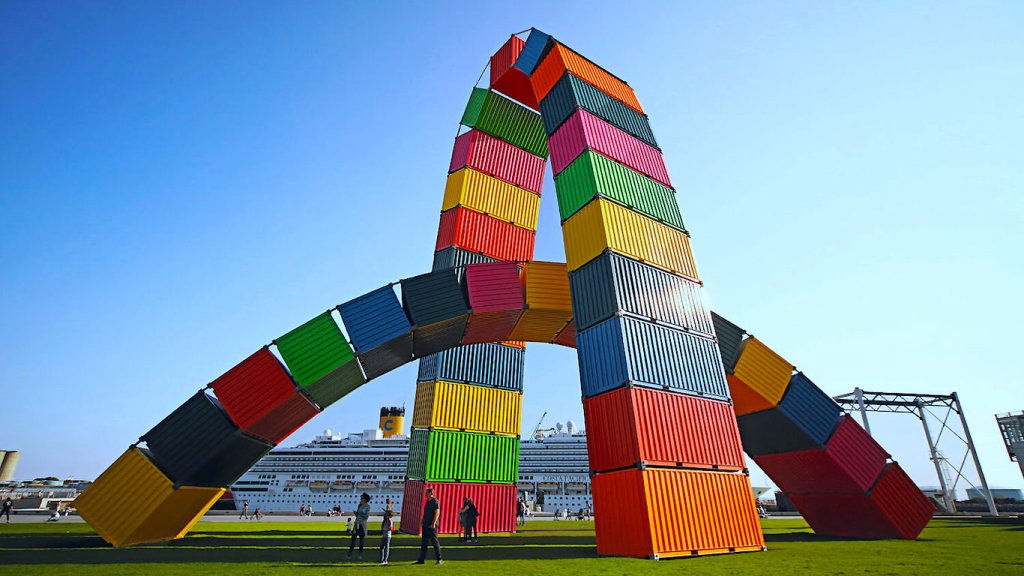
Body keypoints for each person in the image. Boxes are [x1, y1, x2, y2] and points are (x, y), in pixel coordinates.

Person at [414, 486, 442, 565]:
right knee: (424, 543)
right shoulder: (427, 501)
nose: (425, 494)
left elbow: (437, 513)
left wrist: (433, 523)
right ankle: (421, 560)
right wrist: (422, 520)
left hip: (432, 525)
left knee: (434, 542)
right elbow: (426, 512)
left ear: (430, 493)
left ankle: (439, 559)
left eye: (426, 493)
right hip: (425, 524)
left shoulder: (435, 501)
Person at [347, 493, 371, 561]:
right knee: (353, 540)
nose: (360, 500)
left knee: (361, 541)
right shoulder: (359, 505)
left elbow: (366, 516)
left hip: (362, 525)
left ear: (365, 499)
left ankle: (360, 555)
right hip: (356, 524)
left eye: (362, 498)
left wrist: (358, 513)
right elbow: (358, 515)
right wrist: (356, 514)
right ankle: (349, 555)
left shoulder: (367, 507)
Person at [379, 498, 394, 565]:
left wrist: (386, 529)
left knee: (386, 547)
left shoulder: (390, 520)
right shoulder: (385, 520)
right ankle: (382, 559)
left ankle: (385, 560)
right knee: (382, 547)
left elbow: (391, 528)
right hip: (385, 534)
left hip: (387, 535)